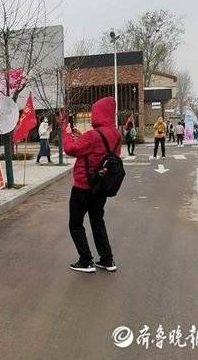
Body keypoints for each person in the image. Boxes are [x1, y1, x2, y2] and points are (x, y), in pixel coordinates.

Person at [63, 97, 121, 274]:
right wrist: (82, 137)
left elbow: (71, 149)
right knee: (97, 221)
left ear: (99, 114)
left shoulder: (93, 135)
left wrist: (66, 133)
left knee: (76, 224)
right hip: (101, 186)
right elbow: (100, 150)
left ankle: (86, 260)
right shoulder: (116, 135)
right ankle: (107, 259)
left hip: (83, 186)